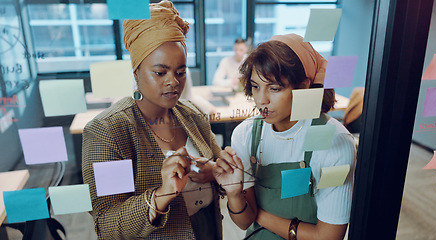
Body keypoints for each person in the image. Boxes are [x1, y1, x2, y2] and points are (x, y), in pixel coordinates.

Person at [82, 1, 222, 239]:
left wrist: (215, 171)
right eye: (160, 72)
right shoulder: (110, 131)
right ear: (136, 71)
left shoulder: (192, 115)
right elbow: (106, 224)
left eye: (181, 72)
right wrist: (162, 195)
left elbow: (220, 170)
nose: (173, 82)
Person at [213, 33, 356, 240]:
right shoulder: (245, 134)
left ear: (304, 86)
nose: (262, 100)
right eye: (255, 87)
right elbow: (244, 221)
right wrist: (234, 193)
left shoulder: (332, 141)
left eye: (275, 88)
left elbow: (327, 237)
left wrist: (259, 215)